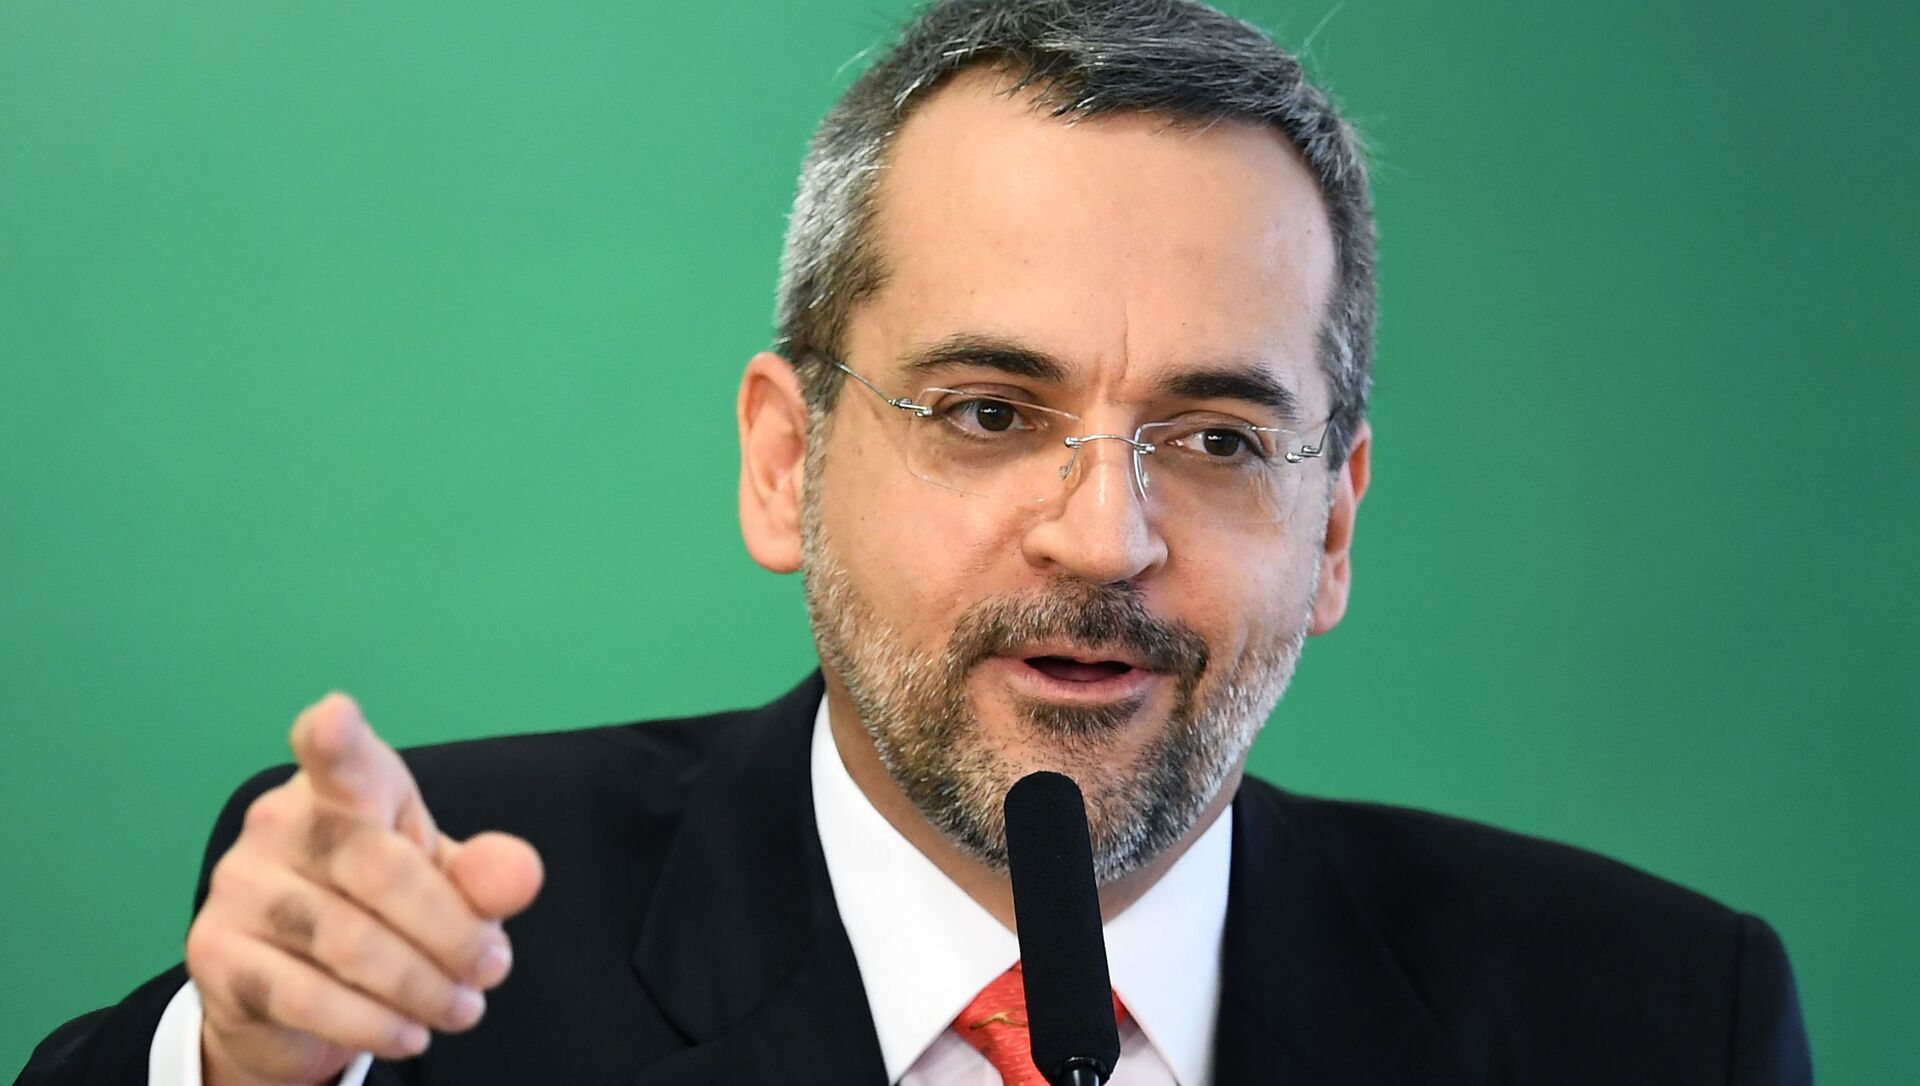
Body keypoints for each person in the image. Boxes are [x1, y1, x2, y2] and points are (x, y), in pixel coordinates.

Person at [18, 1, 1814, 1084]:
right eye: (987, 411)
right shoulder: (422, 973)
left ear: (1333, 523)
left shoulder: (1658, 1020)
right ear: (785, 461)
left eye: (1213, 439)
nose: (1103, 537)